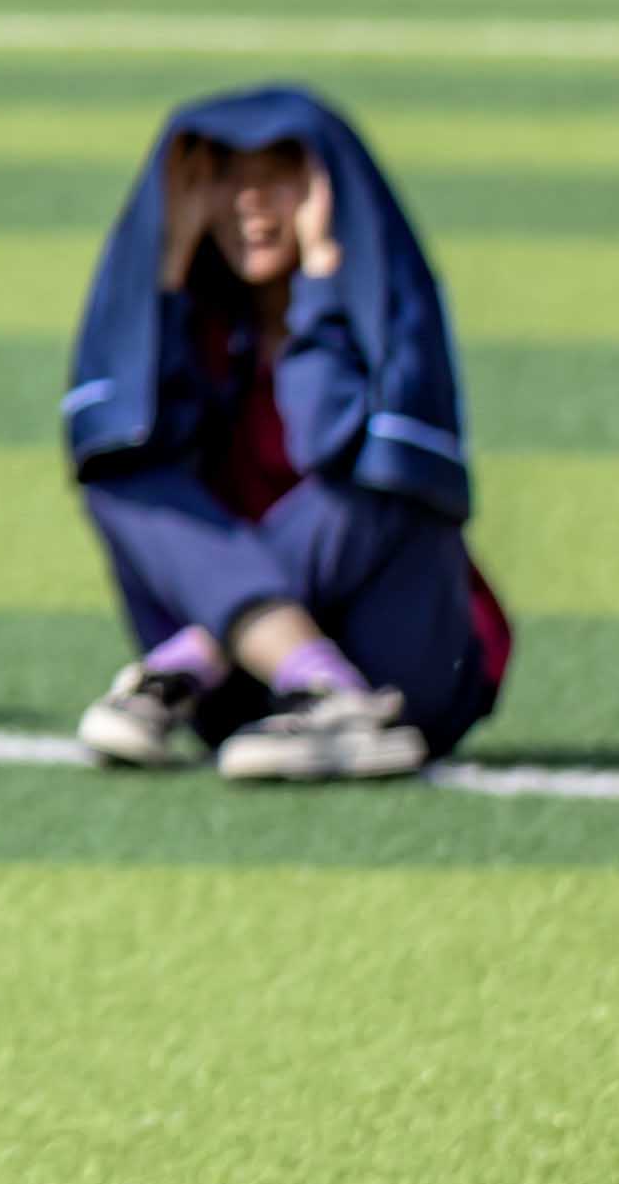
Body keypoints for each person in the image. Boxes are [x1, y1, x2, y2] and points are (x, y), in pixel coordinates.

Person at [63, 90, 506, 784]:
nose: (251, 202)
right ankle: (314, 683)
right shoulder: (207, 324)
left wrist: (324, 274)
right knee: (125, 478)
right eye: (225, 177)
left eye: (277, 176)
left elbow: (327, 438)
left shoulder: (386, 317)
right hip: (244, 696)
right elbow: (144, 440)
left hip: (401, 673)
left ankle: (202, 663)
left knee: (380, 479)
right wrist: (169, 267)